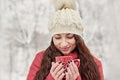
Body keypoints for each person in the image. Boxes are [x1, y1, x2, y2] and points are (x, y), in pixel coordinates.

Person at [26, 0, 104, 80]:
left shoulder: (95, 64)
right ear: (52, 38)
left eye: (69, 37)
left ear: (78, 38)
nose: (63, 44)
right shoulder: (40, 59)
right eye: (57, 37)